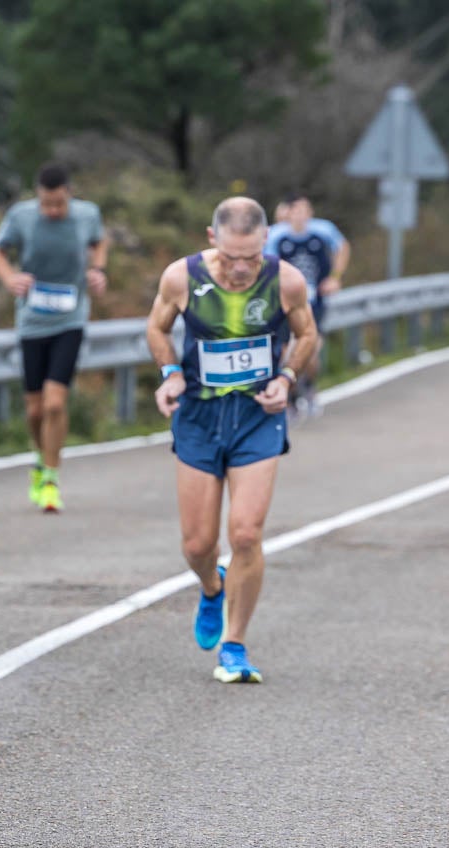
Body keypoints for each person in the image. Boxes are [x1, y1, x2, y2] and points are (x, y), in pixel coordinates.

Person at [145, 196, 316, 684]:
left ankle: (234, 644)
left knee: (245, 533)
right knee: (198, 543)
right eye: (232, 257)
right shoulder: (182, 277)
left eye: (251, 257)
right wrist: (171, 373)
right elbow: (157, 327)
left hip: (255, 417)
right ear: (211, 238)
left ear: (267, 240)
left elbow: (307, 335)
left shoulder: (286, 280)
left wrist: (286, 379)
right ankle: (211, 585)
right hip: (198, 416)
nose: (242, 269)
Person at [0, 164, 108, 513]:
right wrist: (10, 278)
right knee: (35, 408)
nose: (52, 211)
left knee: (56, 403)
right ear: (37, 196)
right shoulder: (21, 216)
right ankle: (41, 458)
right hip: (32, 321)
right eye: (46, 204)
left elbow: (99, 242)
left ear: (69, 194)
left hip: (71, 318)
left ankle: (51, 477)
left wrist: (97, 270)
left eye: (58, 204)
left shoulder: (88, 215)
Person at [265, 193, 350, 417]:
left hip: (314, 302)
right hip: (284, 304)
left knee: (310, 352)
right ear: (287, 212)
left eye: (305, 209)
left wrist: (335, 276)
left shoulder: (323, 230)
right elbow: (267, 264)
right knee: (286, 353)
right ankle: (291, 397)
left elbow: (343, 247)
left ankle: (310, 387)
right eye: (296, 210)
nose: (301, 215)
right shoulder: (276, 235)